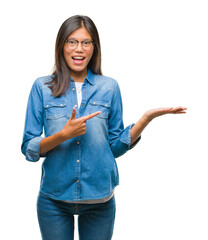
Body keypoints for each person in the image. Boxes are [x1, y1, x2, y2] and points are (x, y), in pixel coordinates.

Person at [21, 15, 187, 240]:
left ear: (93, 48)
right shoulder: (42, 87)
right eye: (72, 41)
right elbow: (28, 148)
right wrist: (63, 135)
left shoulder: (109, 87)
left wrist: (145, 120)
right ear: (61, 45)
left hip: (99, 200)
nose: (79, 49)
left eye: (86, 42)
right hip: (54, 200)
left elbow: (114, 147)